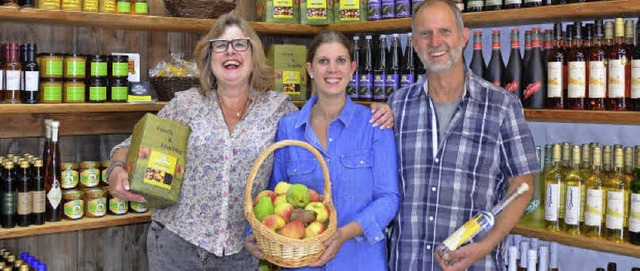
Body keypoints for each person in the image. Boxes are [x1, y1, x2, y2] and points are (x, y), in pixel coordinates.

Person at [106, 14, 394, 271]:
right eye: (220, 45)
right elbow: (133, 145)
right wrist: (119, 168)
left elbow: (325, 112)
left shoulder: (280, 110)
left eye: (240, 44)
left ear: (253, 54)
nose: (230, 52)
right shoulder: (186, 105)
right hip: (177, 246)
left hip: (241, 253)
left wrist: (381, 109)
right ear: (210, 57)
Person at [387, 1, 540, 271]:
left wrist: (485, 245)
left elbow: (522, 187)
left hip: (476, 265)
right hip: (407, 263)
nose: (435, 42)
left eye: (445, 31)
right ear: (414, 42)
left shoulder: (501, 105)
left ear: (464, 36)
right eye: (425, 34)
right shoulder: (397, 105)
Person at [244, 30, 401, 270]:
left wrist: (344, 233)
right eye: (323, 61)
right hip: (302, 263)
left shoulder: (375, 125)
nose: (332, 70)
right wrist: (255, 232)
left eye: (341, 61)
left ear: (352, 68)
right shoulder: (289, 127)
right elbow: (274, 192)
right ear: (310, 70)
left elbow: (389, 199)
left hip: (360, 260)